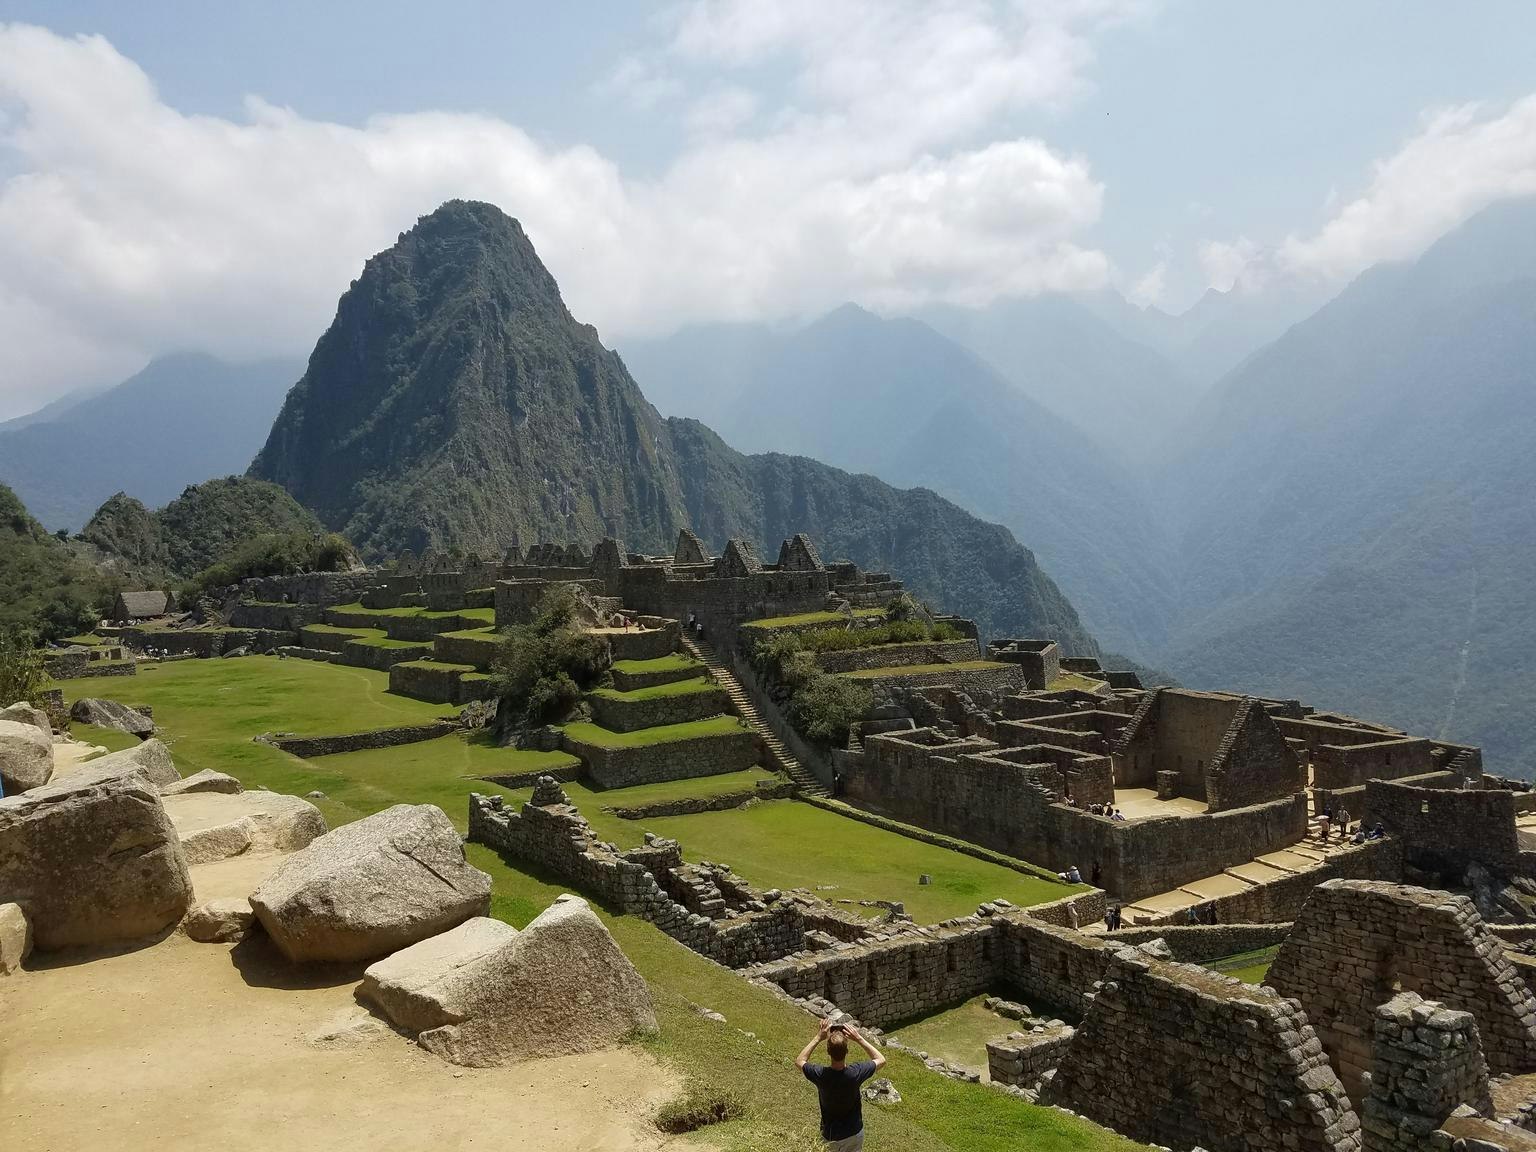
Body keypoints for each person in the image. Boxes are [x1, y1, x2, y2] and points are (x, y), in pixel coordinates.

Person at [797, 1017, 885, 1150]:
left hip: (830, 1136)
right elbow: (881, 1059)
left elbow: (800, 1061)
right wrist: (859, 1038)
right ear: (847, 1051)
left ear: (828, 1052)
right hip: (854, 1133)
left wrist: (818, 1037)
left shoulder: (820, 1075)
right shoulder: (855, 1073)